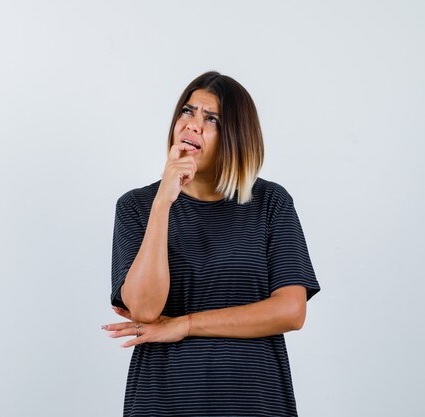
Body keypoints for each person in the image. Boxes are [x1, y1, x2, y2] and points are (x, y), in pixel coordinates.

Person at [102, 71, 321, 417]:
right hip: (164, 400)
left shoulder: (270, 203)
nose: (192, 125)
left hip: (254, 400)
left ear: (236, 136)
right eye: (187, 112)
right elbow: (144, 310)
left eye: (211, 119)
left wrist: (184, 324)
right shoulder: (136, 207)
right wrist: (162, 203)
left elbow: (291, 311)